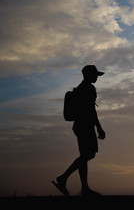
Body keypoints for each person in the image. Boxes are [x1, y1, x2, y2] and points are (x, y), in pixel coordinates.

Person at [52, 65, 106, 196]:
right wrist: (99, 128)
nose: (97, 78)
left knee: (84, 156)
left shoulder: (81, 88)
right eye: (95, 75)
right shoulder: (89, 89)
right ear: (88, 75)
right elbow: (91, 111)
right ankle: (63, 178)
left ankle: (85, 189)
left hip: (80, 126)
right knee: (89, 155)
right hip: (85, 126)